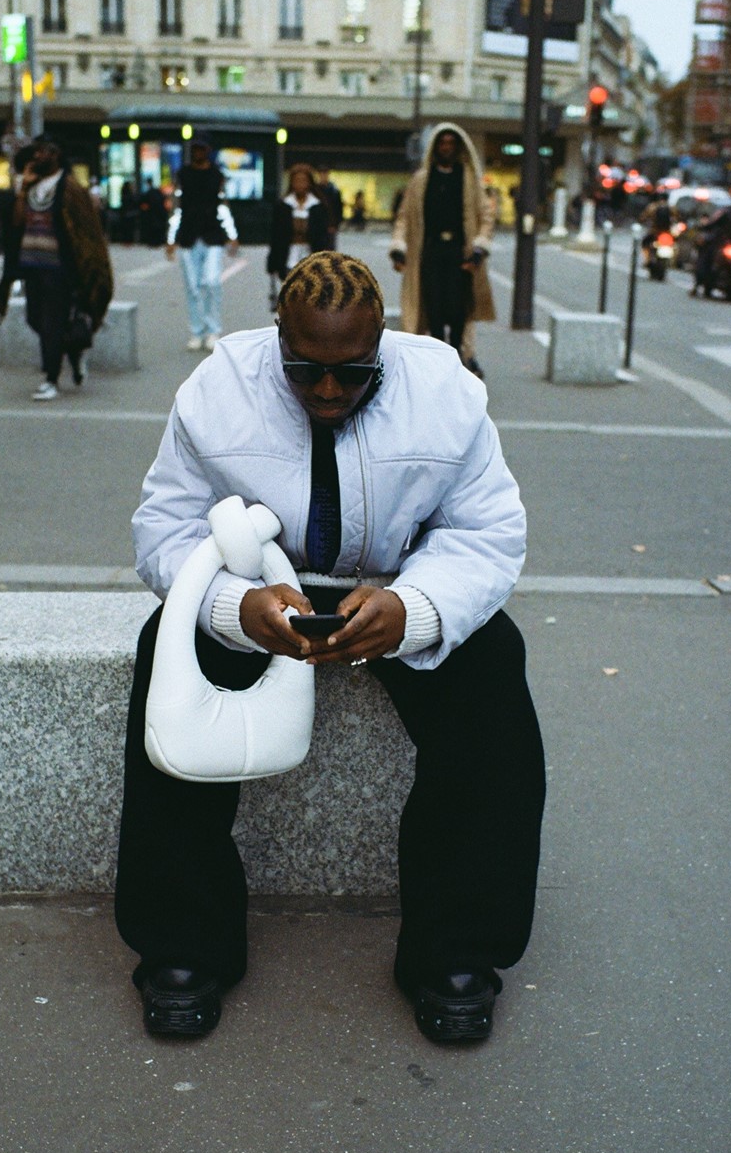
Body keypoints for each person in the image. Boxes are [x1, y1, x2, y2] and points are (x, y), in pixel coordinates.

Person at [115, 250, 546, 1046]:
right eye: (304, 369)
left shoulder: (446, 393)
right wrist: (230, 608)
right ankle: (183, 946)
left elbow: (488, 534)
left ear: (383, 340)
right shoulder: (217, 390)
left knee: (492, 679)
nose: (325, 391)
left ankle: (456, 953)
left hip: (398, 585)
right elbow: (163, 528)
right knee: (163, 658)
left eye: (352, 375)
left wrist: (414, 609)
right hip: (258, 587)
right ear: (277, 335)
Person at [0, 134, 113, 401]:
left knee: (51, 322)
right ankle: (74, 351)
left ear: (55, 154)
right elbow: (17, 222)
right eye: (34, 152)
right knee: (35, 318)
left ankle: (50, 379)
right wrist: (23, 189)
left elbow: (86, 234)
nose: (35, 157)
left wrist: (88, 272)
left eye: (41, 152)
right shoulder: (31, 187)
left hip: (60, 270)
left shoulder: (70, 189)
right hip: (31, 266)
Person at [389, 124, 495, 379]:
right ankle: (436, 357)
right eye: (442, 143)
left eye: (451, 143)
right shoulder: (421, 180)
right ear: (436, 147)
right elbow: (404, 217)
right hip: (430, 252)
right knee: (433, 307)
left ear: (458, 147)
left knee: (459, 310)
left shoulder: (469, 179)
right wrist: (399, 247)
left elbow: (486, 216)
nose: (446, 147)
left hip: (461, 253)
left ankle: (460, 357)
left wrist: (479, 247)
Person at [165, 135, 239, 352]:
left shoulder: (217, 175)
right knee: (192, 286)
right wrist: (171, 238)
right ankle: (197, 332)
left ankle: (213, 330)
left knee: (212, 281)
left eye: (202, 149)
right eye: (195, 149)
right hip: (188, 235)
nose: (198, 152)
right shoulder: (183, 174)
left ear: (208, 150)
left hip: (213, 234)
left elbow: (224, 205)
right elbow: (176, 206)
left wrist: (231, 234)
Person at [267, 164, 331, 296]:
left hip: (311, 254)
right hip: (288, 255)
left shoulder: (317, 206)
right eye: (296, 180)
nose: (300, 184)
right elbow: (275, 235)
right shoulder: (283, 206)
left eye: (303, 180)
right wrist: (272, 264)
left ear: (309, 183)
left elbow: (323, 236)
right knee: (291, 292)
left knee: (310, 291)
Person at [690, 191, 731, 298]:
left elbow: (711, 224)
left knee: (706, 253)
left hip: (730, 246)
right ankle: (700, 282)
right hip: (727, 245)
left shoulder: (729, 212)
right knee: (707, 253)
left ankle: (699, 283)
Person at [315, 166, 344, 250]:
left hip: (330, 225)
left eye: (325, 174)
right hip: (317, 224)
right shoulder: (315, 190)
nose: (323, 176)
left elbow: (338, 209)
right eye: (321, 174)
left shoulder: (334, 191)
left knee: (330, 249)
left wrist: (335, 224)